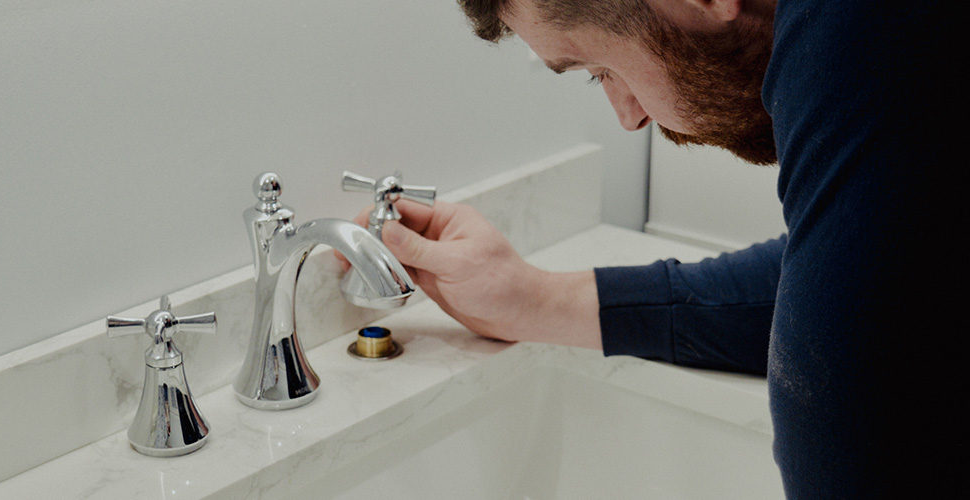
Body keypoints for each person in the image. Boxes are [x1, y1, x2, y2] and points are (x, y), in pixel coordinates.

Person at [349, 1, 953, 498]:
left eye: (599, 69)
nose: (628, 117)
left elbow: (844, 437)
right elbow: (874, 280)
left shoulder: (858, 30)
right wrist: (534, 299)